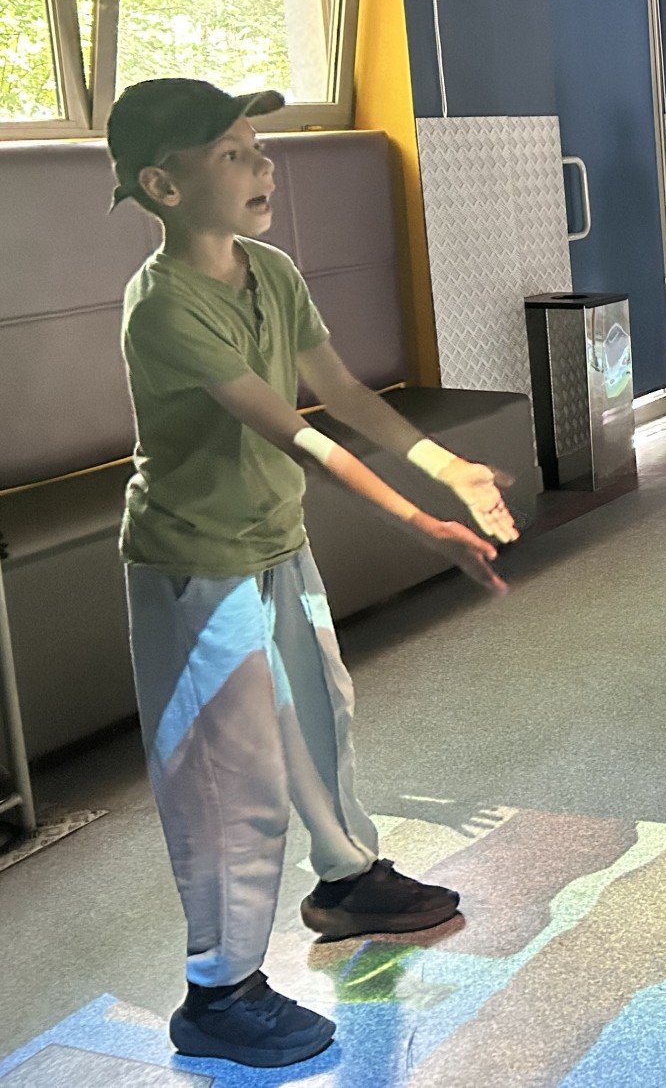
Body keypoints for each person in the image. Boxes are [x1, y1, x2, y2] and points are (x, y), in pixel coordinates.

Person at [107, 78, 517, 1068]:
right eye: (233, 153)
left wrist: (447, 465)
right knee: (231, 778)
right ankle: (219, 990)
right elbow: (295, 432)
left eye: (259, 146)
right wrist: (419, 521)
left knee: (320, 716)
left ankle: (345, 882)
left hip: (274, 544)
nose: (263, 165)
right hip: (195, 569)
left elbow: (338, 391)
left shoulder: (271, 271)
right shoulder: (164, 307)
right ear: (164, 185)